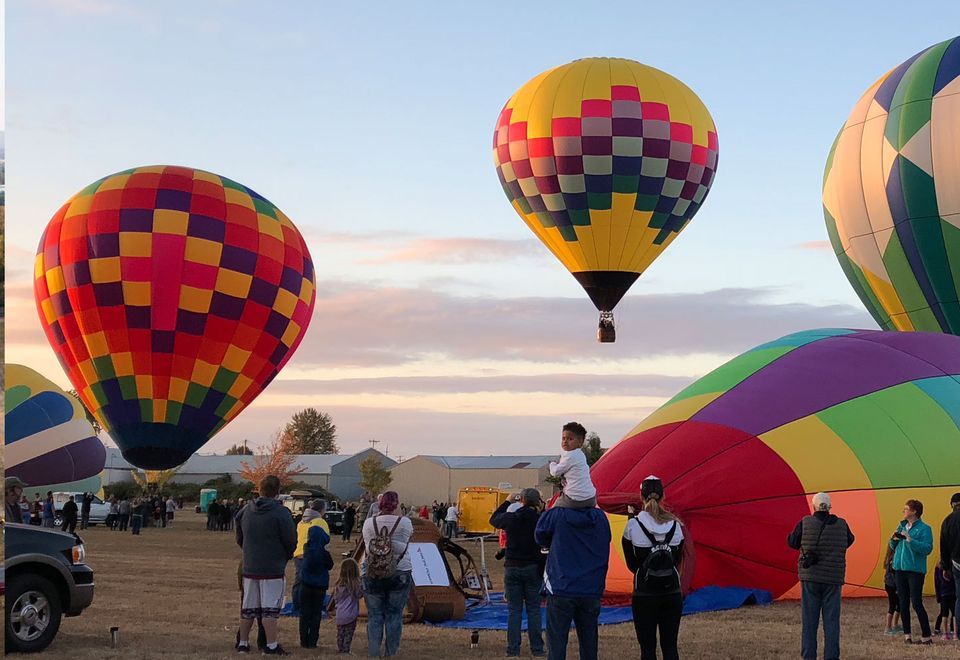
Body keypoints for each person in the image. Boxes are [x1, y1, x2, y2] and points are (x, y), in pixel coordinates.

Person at [535, 493, 611, 660]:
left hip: (562, 586)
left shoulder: (557, 515)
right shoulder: (600, 517)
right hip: (591, 588)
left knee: (556, 644)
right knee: (589, 643)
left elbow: (540, 535)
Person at [622, 476, 685, 660]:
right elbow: (677, 559)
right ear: (663, 496)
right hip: (671, 592)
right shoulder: (676, 525)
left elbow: (631, 564)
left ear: (641, 497)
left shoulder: (632, 526)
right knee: (670, 647)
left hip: (645, 594)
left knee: (648, 649)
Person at [787, 492, 855, 659]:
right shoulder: (842, 524)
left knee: (809, 621)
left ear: (814, 506)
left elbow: (792, 542)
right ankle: (831, 656)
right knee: (832, 621)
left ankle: (808, 656)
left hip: (810, 577)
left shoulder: (805, 522)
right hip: (833, 579)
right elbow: (850, 540)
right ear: (829, 506)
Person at [235, 475, 297, 655]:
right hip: (272, 568)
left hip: (250, 565)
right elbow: (290, 540)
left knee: (248, 608)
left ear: (259, 489)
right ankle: (270, 645)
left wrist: (247, 549)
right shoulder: (280, 513)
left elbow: (239, 533)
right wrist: (285, 556)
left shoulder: (247, 509)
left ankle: (243, 643)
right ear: (278, 491)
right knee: (270, 609)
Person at [490, 488, 546, 657]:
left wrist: (507, 501)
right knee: (534, 610)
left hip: (512, 566)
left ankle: (513, 649)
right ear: (537, 502)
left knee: (514, 610)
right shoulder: (539, 520)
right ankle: (537, 649)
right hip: (531, 567)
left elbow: (493, 519)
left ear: (521, 500)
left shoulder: (510, 518)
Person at [361, 491, 414, 658]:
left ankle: (374, 652)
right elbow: (407, 541)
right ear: (397, 504)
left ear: (380, 503)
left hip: (373, 571)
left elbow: (367, 544)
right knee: (394, 614)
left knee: (375, 615)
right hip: (399, 570)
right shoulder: (405, 523)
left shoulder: (369, 523)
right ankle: (390, 652)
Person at [890, 498, 934, 644]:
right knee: (902, 603)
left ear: (914, 511)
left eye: (906, 509)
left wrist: (911, 540)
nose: (904, 511)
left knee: (916, 602)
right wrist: (893, 539)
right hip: (900, 569)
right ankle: (907, 635)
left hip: (915, 570)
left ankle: (926, 635)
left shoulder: (924, 529)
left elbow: (927, 548)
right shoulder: (901, 526)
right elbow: (893, 545)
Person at [299, 523, 333, 648]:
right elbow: (330, 565)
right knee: (316, 614)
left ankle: (303, 640)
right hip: (319, 586)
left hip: (306, 584)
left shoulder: (306, 548)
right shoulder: (324, 553)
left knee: (304, 613)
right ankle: (313, 641)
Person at [293, 499, 330, 615]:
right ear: (322, 509)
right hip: (312, 555)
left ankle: (297, 605)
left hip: (298, 553)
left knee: (299, 580)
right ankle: (311, 607)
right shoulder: (320, 522)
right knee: (312, 582)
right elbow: (325, 540)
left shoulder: (301, 521)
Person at [549, 421, 597, 509]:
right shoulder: (580, 455)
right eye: (563, 438)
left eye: (570, 439)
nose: (565, 442)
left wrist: (552, 464)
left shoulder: (571, 455)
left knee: (552, 511)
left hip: (575, 498)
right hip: (590, 498)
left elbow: (555, 472)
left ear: (580, 442)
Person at [331, 558, 362, 654]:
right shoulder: (354, 585)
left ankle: (340, 648)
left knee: (340, 633)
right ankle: (345, 650)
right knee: (348, 634)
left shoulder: (338, 586)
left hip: (340, 614)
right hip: (351, 614)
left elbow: (335, 599)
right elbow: (360, 595)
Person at [940, 492, 960, 642]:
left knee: (959, 598)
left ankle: (958, 633)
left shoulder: (947, 521)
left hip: (956, 563)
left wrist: (945, 567)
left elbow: (944, 547)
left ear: (952, 504)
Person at [882, 546, 902, 635]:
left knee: (899, 605)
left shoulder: (888, 558)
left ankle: (895, 625)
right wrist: (898, 588)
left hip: (889, 585)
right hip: (892, 586)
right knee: (892, 606)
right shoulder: (893, 560)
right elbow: (895, 576)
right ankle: (888, 628)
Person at [934, 561, 956, 640]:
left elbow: (936, 583)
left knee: (944, 613)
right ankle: (955, 632)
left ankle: (945, 633)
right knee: (954, 612)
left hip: (944, 593)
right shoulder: (954, 566)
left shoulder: (938, 568)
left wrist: (938, 596)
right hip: (952, 592)